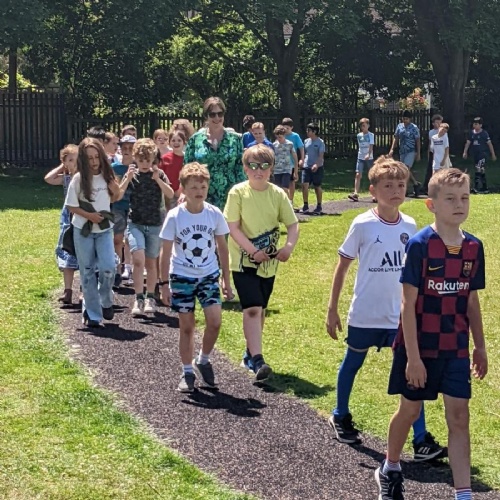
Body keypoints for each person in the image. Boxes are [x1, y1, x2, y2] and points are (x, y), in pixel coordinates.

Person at [375, 168, 487, 500]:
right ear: (431, 205)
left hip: (456, 347)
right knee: (410, 411)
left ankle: (463, 494)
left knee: (459, 417)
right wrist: (413, 357)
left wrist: (480, 346)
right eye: (450, 198)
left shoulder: (473, 247)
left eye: (464, 197)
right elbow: (407, 304)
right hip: (420, 346)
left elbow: (471, 301)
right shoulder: (420, 245)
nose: (459, 204)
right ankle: (390, 466)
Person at [326, 156, 446, 461]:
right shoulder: (362, 224)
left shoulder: (410, 225)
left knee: (412, 372)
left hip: (399, 316)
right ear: (373, 190)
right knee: (352, 363)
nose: (395, 191)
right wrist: (332, 308)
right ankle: (340, 414)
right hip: (366, 313)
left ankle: (421, 439)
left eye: (401, 185)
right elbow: (342, 267)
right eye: (388, 185)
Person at [224, 144, 299, 380]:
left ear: (271, 168)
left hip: (268, 264)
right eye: (254, 166)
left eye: (265, 166)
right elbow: (232, 227)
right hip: (243, 262)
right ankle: (258, 360)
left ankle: (250, 353)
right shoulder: (237, 193)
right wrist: (252, 250)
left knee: (261, 309)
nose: (259, 170)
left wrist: (288, 247)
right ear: (245, 168)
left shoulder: (277, 194)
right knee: (253, 308)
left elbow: (293, 224)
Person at [159, 162, 233, 393]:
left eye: (203, 187)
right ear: (183, 188)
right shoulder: (175, 216)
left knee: (215, 321)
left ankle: (203, 359)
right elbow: (165, 252)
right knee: (187, 326)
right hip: (182, 276)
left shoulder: (214, 213)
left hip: (208, 275)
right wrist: (163, 285)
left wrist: (226, 279)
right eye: (193, 187)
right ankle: (187, 371)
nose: (199, 191)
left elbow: (223, 248)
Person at [65, 138, 120, 327]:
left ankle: (106, 300)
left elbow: (115, 197)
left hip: (104, 229)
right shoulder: (78, 179)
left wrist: (115, 189)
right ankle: (93, 314)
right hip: (83, 229)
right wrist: (89, 216)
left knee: (108, 267)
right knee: (87, 271)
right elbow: (71, 206)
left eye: (97, 157)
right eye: (90, 158)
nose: (94, 161)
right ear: (83, 159)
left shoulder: (107, 175)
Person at [117, 138, 174, 317]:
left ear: (153, 160)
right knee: (138, 259)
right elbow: (118, 195)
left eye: (147, 160)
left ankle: (150, 296)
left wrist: (158, 180)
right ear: (135, 158)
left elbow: (170, 193)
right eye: (140, 160)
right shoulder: (131, 174)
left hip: (154, 225)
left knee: (151, 263)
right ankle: (138, 297)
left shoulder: (159, 174)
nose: (144, 164)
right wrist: (127, 179)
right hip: (135, 223)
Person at [184, 97, 245, 210]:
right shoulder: (195, 140)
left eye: (220, 114)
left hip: (230, 197)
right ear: (206, 116)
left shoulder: (235, 139)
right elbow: (186, 170)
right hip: (202, 197)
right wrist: (185, 193)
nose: (217, 118)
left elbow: (240, 170)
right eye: (212, 114)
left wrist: (243, 194)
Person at [44, 144, 79, 305]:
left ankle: (84, 290)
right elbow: (48, 178)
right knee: (67, 253)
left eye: (77, 159)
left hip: (82, 216)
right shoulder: (66, 178)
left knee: (84, 254)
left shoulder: (86, 178)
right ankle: (68, 290)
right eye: (70, 160)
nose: (74, 163)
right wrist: (62, 166)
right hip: (68, 220)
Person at [111, 135, 136, 285]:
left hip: (133, 206)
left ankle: (129, 267)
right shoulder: (115, 168)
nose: (127, 151)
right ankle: (117, 269)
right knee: (117, 238)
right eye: (124, 148)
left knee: (130, 239)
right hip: (118, 206)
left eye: (130, 148)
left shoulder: (138, 167)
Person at [389, 110, 421, 197]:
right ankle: (415, 184)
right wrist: (392, 149)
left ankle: (404, 189)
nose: (405, 120)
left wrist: (418, 153)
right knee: (404, 170)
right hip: (402, 151)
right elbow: (396, 138)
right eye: (404, 119)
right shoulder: (399, 126)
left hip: (411, 150)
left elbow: (417, 140)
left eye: (407, 119)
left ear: (410, 119)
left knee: (406, 168)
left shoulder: (414, 128)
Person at [463, 117, 497, 194]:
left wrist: (493, 154)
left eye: (476, 124)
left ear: (480, 125)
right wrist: (465, 152)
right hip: (475, 154)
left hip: (482, 154)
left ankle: (476, 187)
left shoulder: (484, 133)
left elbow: (489, 144)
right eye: (474, 124)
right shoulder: (471, 133)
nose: (474, 125)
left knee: (478, 168)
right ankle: (484, 187)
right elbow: (468, 143)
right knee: (481, 169)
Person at [300, 123, 325, 215]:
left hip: (318, 167)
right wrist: (302, 160)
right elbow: (304, 153)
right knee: (304, 185)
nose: (307, 132)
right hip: (307, 166)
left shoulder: (320, 142)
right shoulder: (306, 141)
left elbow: (321, 156)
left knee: (317, 186)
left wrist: (316, 165)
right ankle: (305, 205)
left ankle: (319, 206)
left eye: (309, 130)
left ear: (314, 132)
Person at [348, 118, 374, 202]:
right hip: (360, 157)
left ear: (368, 126)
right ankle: (355, 193)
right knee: (358, 174)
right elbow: (360, 146)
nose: (363, 128)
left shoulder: (371, 135)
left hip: (369, 158)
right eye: (361, 126)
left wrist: (368, 154)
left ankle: (375, 194)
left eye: (364, 126)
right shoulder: (359, 135)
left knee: (372, 175)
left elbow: (371, 146)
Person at [160, 130, 186, 209]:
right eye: (173, 140)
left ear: (184, 142)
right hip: (167, 195)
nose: (176, 143)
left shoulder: (187, 158)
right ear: (169, 143)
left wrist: (181, 190)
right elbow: (161, 176)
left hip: (184, 194)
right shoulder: (165, 158)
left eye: (179, 140)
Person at [282, 117, 304, 204]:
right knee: (283, 182)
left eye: (287, 128)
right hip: (283, 162)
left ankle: (291, 199)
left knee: (291, 181)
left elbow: (301, 147)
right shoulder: (281, 135)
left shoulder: (295, 136)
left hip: (292, 162)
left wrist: (302, 159)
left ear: (291, 127)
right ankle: (285, 199)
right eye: (284, 128)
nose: (286, 130)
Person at [272, 124, 298, 198]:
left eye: (280, 137)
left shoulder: (289, 144)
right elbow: (272, 158)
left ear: (284, 135)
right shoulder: (274, 145)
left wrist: (295, 172)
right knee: (278, 189)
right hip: (277, 170)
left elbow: (295, 158)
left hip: (287, 170)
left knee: (285, 187)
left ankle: (288, 202)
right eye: (277, 137)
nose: (279, 139)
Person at [422, 114, 443, 194]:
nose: (438, 124)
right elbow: (430, 144)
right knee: (430, 170)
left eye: (440, 122)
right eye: (436, 122)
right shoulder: (431, 132)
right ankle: (426, 187)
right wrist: (429, 153)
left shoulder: (442, 132)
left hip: (440, 153)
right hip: (432, 153)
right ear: (433, 123)